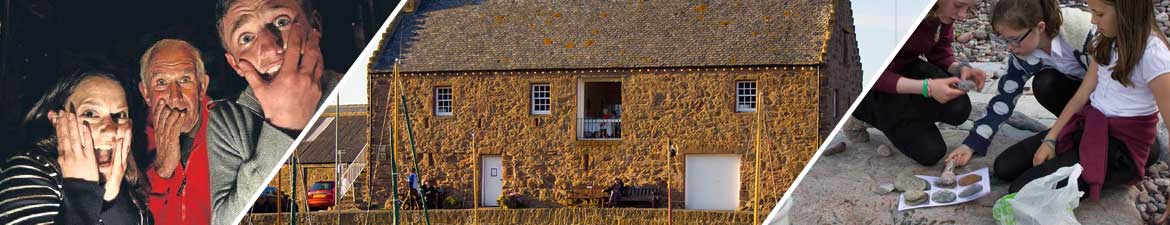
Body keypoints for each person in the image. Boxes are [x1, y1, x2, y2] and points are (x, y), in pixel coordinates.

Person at [993, 0, 1170, 201]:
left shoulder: (1154, 55)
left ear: (1126, 12)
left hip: (1121, 148)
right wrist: (1051, 139)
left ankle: (1097, 168)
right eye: (1092, 12)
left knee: (1021, 191)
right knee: (1004, 166)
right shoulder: (1106, 40)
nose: (1093, 21)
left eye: (1099, 14)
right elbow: (1080, 97)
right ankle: (1072, 157)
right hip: (1089, 125)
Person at [207, 0, 341, 223]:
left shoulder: (361, 87)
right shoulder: (227, 121)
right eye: (246, 38)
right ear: (235, 65)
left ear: (314, 25)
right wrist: (283, 126)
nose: (270, 48)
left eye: (281, 22)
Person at [949, 0, 1095, 166]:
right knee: (1044, 83)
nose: (1010, 48)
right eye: (1005, 41)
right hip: (1078, 98)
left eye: (1014, 39)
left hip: (1106, 98)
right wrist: (971, 144)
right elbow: (1004, 98)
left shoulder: (1081, 33)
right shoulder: (1024, 52)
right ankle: (1076, 127)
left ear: (1040, 27)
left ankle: (1087, 130)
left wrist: (1051, 138)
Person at [0, 70, 151, 224]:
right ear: (56, 120)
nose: (111, 130)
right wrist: (81, 191)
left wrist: (110, 201)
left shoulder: (129, 183)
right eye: (90, 113)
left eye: (120, 115)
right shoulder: (28, 171)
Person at [849, 0, 988, 166]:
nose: (963, 15)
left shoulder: (940, 14)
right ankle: (863, 113)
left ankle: (907, 116)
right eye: (958, 5)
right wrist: (927, 88)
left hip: (904, 66)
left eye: (969, 8)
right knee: (931, 152)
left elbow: (940, 50)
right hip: (868, 82)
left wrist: (960, 69)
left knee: (958, 107)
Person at [138, 39, 212, 225]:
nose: (175, 96)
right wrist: (161, 171)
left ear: (202, 87)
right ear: (146, 93)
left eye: (185, 80)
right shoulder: (129, 141)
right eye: (161, 82)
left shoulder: (234, 130)